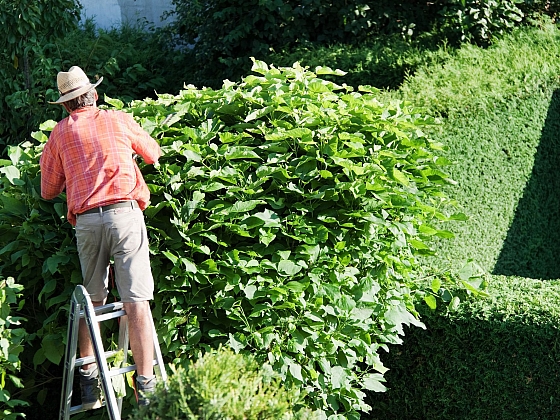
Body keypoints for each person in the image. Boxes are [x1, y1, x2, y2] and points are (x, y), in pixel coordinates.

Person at [40, 66, 162, 409]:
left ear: (65, 105)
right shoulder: (118, 120)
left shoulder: (60, 134)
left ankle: (90, 379)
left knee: (91, 301)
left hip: (88, 223)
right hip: (125, 215)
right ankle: (146, 383)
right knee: (137, 299)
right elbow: (154, 153)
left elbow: (47, 190)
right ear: (94, 94)